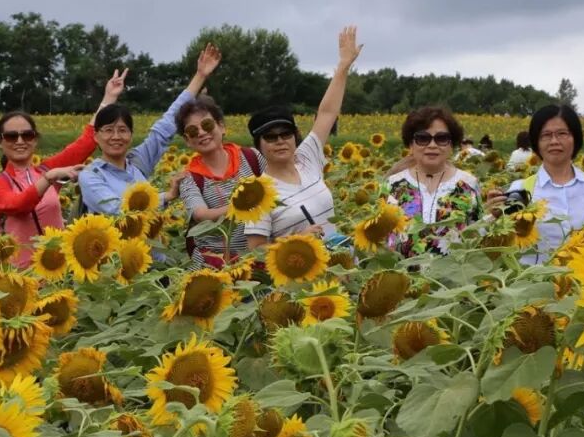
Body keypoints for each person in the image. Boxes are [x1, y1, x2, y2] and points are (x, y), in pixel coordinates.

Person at [244, 26, 361, 249]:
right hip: (298, 278)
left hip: (339, 265)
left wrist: (344, 66)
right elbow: (255, 250)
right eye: (270, 137)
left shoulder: (307, 158)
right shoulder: (257, 193)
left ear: (294, 136)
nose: (280, 140)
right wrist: (296, 242)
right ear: (258, 145)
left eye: (285, 133)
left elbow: (327, 113)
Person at [0, 75, 116, 268]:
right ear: (0, 142)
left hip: (60, 272)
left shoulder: (46, 170)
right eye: (11, 136)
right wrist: (49, 178)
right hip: (21, 280)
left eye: (27, 135)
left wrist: (108, 98)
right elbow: (18, 205)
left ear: (35, 139)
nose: (20, 141)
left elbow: (86, 142)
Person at [79, 44, 222, 216]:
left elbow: (166, 126)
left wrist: (199, 76)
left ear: (131, 136)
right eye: (108, 130)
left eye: (123, 130)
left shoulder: (138, 162)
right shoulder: (91, 175)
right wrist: (166, 196)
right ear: (96, 136)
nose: (116, 136)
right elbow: (117, 210)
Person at [486, 105, 584, 263]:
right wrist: (492, 217)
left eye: (562, 133)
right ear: (536, 142)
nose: (554, 141)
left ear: (575, 138)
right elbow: (496, 246)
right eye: (546, 135)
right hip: (535, 284)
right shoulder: (520, 190)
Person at [177, 95, 266, 267]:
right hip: (214, 266)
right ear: (187, 140)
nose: (201, 133)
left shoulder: (252, 157)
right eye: (193, 131)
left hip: (257, 258)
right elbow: (201, 215)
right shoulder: (189, 178)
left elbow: (278, 187)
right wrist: (243, 205)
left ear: (222, 127)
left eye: (207, 125)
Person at [386, 106, 482, 256]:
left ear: (451, 145)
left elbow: (477, 238)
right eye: (423, 138)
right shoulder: (392, 185)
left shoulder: (468, 185)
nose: (432, 145)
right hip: (402, 275)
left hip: (454, 277)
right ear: (411, 145)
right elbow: (382, 239)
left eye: (441, 139)